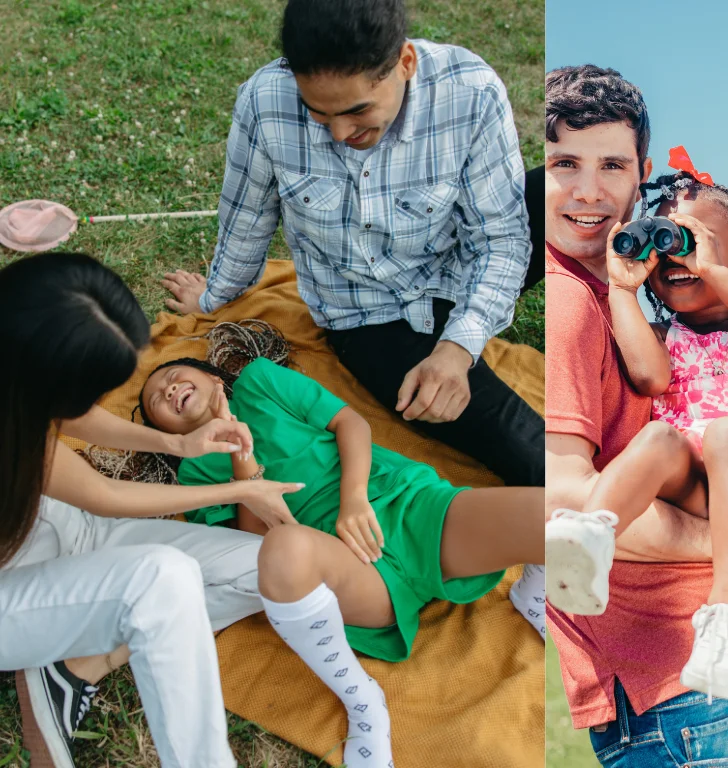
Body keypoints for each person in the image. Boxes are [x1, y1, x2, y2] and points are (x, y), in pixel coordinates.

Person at [544, 64, 728, 767]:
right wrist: (620, 287)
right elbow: (650, 376)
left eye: (691, 242)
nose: (676, 256)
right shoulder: (635, 322)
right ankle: (588, 537)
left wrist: (717, 271)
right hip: (680, 670)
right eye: (664, 243)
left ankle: (727, 612)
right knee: (662, 439)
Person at [160, 0, 545, 491]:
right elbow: (246, 225)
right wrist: (213, 298)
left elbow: (502, 239)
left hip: (459, 264)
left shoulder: (471, 90)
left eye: (358, 111)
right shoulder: (263, 103)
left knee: (576, 187)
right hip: (371, 318)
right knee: (530, 450)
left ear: (404, 63)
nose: (340, 134)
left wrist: (458, 347)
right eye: (318, 114)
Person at [136, 355, 544, 768]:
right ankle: (363, 701)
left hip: (403, 504)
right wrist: (242, 452)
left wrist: (353, 501)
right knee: (284, 551)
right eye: (156, 401)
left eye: (172, 377)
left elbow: (351, 423)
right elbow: (254, 552)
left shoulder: (259, 381)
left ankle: (535, 589)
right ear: (166, 435)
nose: (168, 390)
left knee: (556, 515)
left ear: (211, 377)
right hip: (344, 571)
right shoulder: (194, 475)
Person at [0, 252, 303, 768]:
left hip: (63, 529)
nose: (88, 407)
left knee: (269, 565)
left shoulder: (14, 365)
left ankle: (71, 666)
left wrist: (178, 447)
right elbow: (108, 496)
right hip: (14, 589)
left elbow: (79, 423)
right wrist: (238, 492)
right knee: (163, 578)